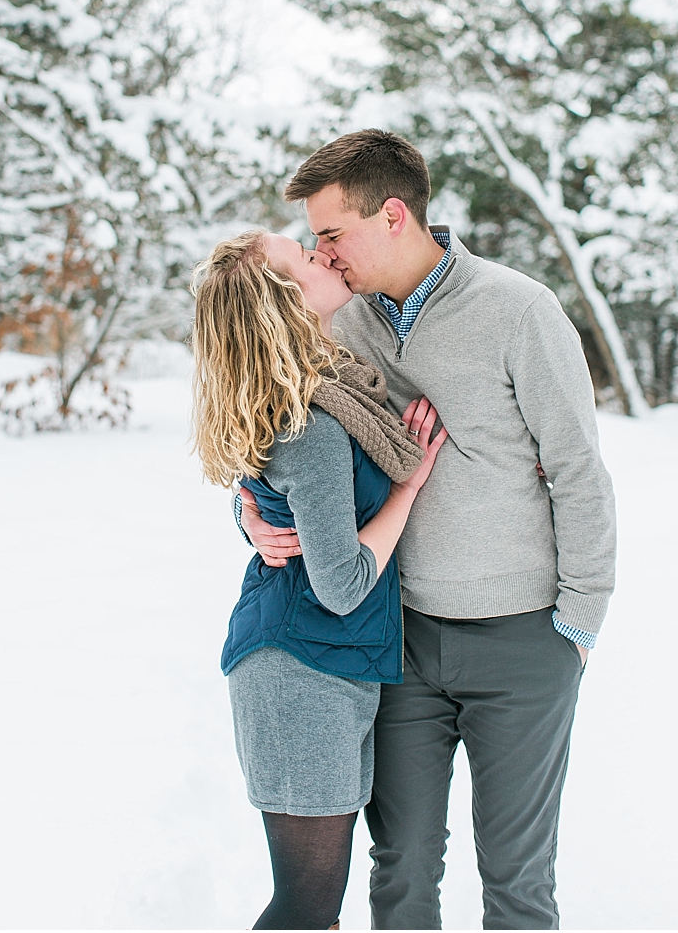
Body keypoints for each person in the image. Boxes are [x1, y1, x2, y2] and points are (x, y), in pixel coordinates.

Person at [244, 129, 616, 929]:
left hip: (523, 639)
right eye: (313, 241)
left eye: (332, 234)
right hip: (400, 640)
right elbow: (275, 432)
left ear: (391, 215)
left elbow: (580, 470)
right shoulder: (340, 324)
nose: (324, 254)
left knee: (518, 881)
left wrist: (578, 623)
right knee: (401, 870)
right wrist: (246, 510)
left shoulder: (520, 310)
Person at [193, 229, 447, 930]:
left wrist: (248, 516)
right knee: (306, 907)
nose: (322, 252)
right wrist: (409, 486)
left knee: (313, 908)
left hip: (323, 662)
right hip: (300, 668)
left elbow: (276, 497)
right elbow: (340, 583)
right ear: (286, 302)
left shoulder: (324, 387)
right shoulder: (313, 420)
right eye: (304, 257)